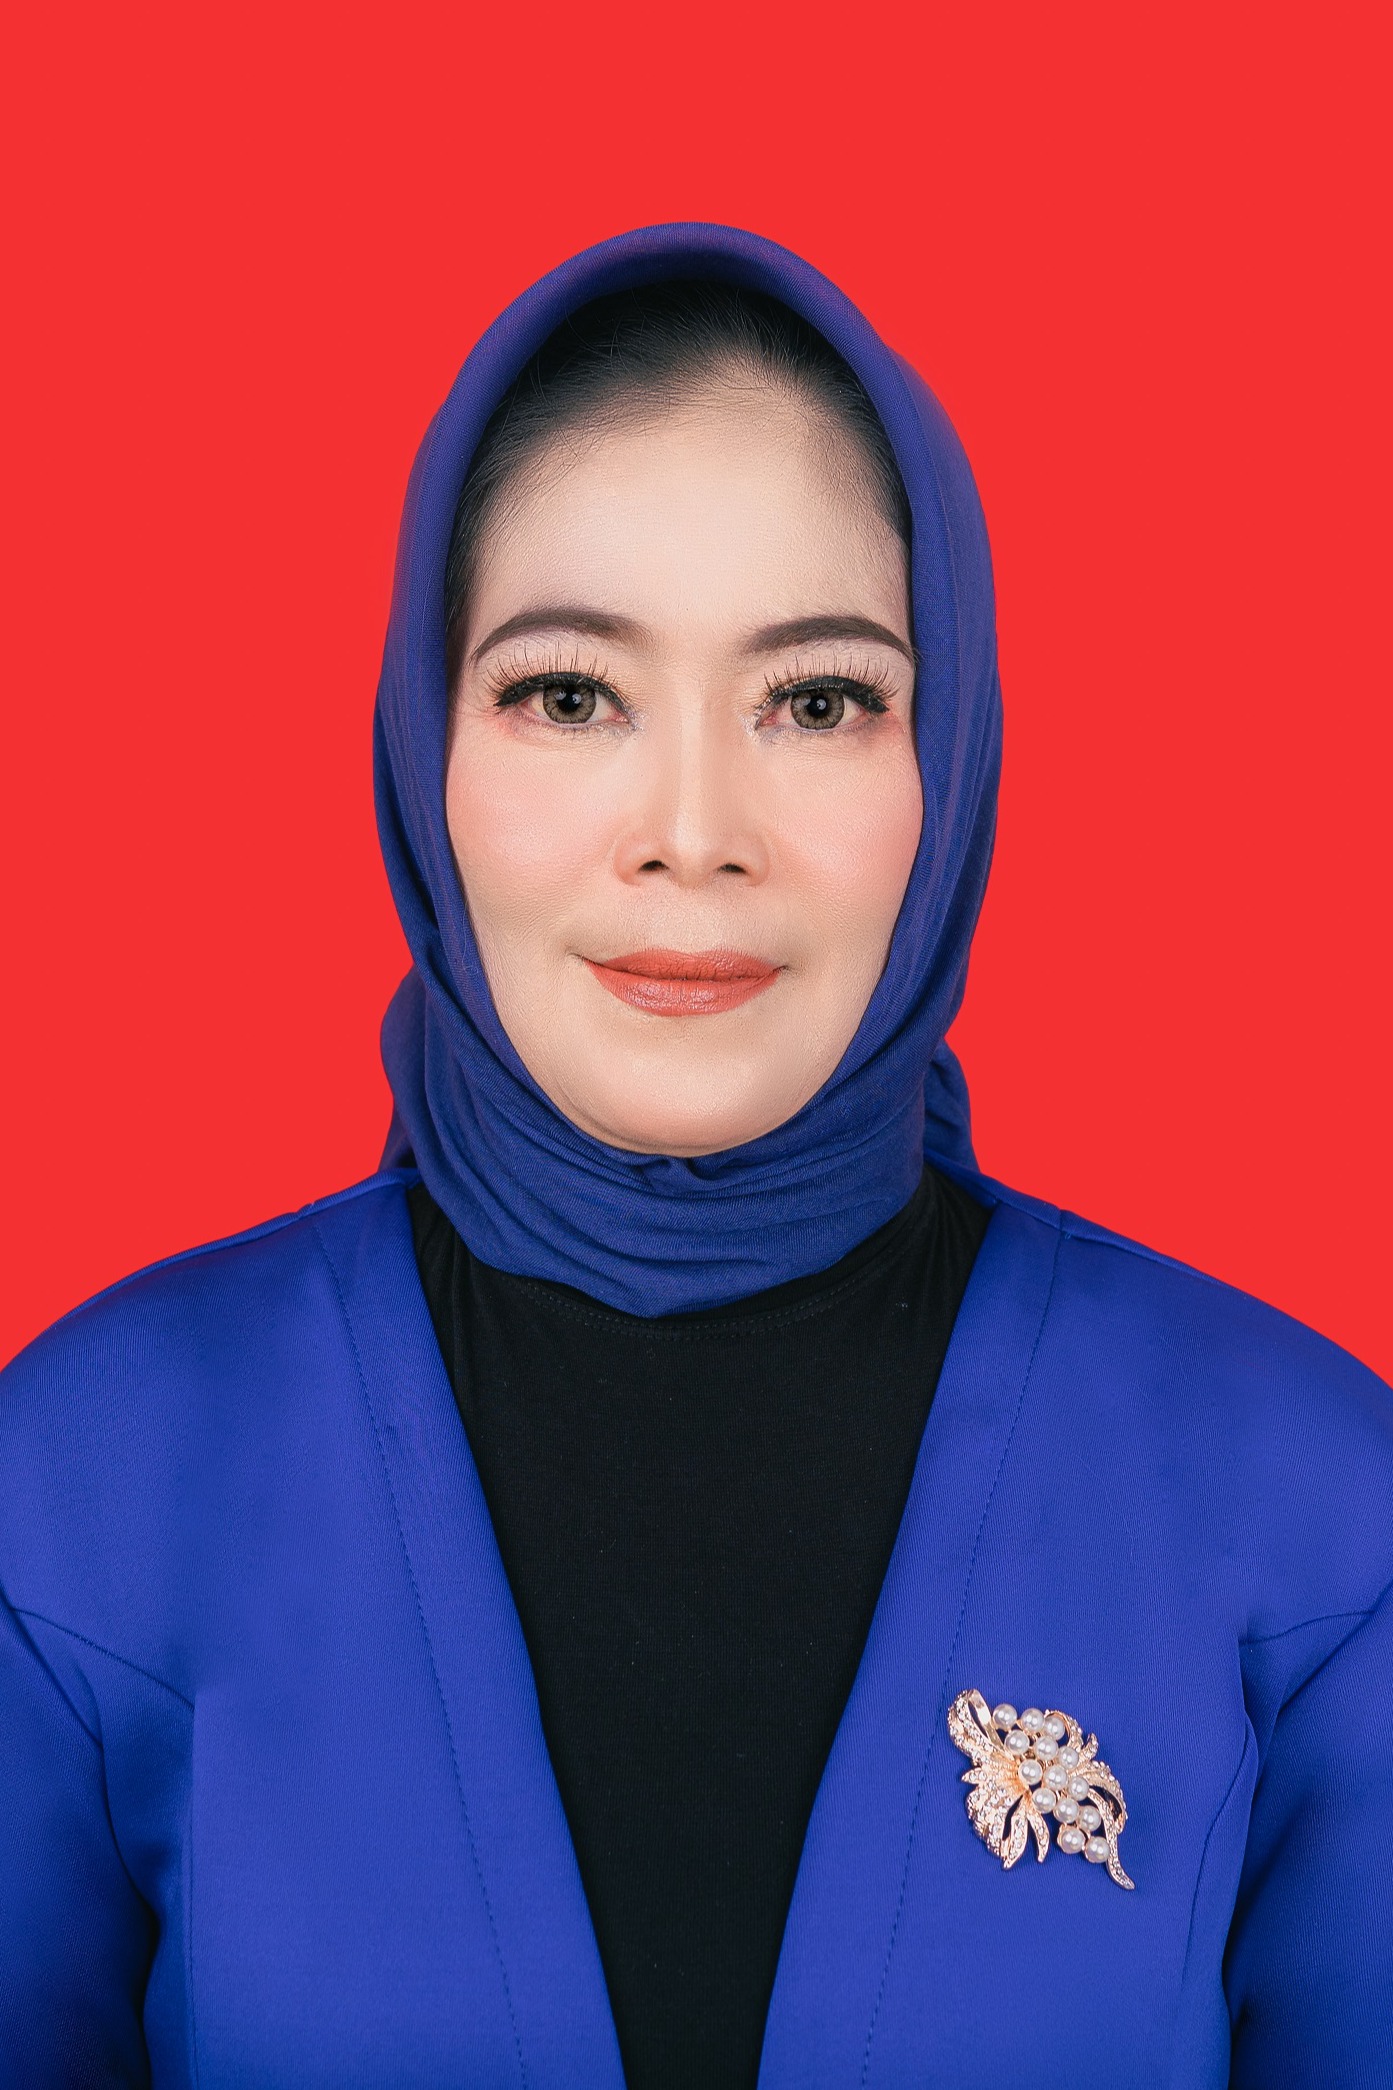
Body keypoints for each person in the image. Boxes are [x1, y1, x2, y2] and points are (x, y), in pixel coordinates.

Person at [1, 224, 1389, 2089]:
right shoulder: (81, 1488)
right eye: (569, 693)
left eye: (815, 701)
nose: (690, 827)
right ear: (424, 746)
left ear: (947, 763)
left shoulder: (1313, 1512)